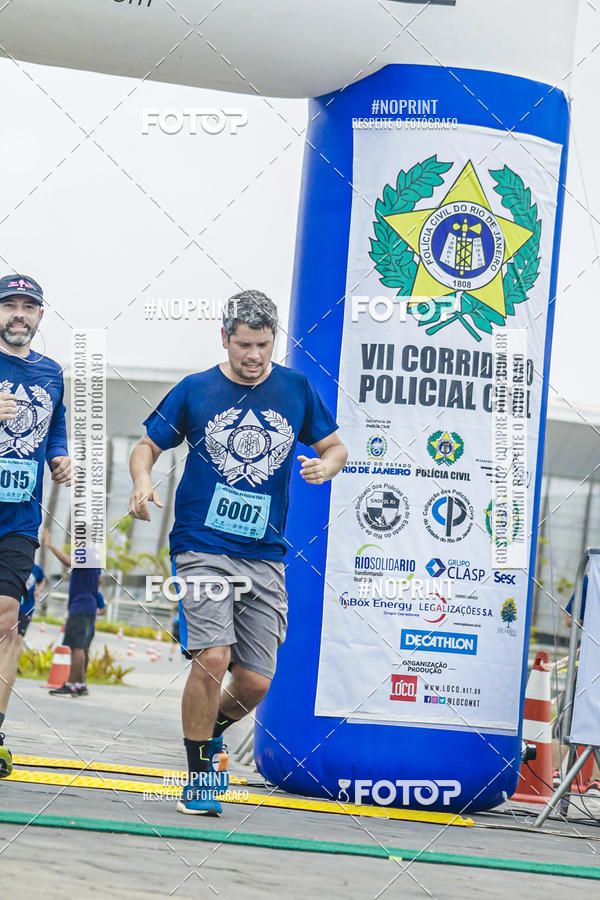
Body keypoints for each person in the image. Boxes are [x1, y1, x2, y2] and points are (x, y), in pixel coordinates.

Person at [128, 290, 347, 816]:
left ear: (275, 341)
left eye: (264, 345)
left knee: (253, 680)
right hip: (202, 544)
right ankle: (200, 773)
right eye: (244, 344)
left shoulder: (295, 389)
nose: (254, 355)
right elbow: (146, 446)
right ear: (224, 338)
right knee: (212, 656)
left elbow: (335, 445)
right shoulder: (196, 389)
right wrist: (141, 481)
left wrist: (328, 466)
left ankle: (211, 730)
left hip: (264, 553)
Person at [0, 274, 70, 777]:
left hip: (20, 519)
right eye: (10, 305)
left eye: (28, 306)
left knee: (6, 622)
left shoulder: (51, 372)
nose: (19, 314)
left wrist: (60, 456)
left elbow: (56, 424)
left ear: (41, 316)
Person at [42, 529, 101, 697]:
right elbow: (99, 581)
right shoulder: (95, 555)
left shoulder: (85, 552)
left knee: (77, 647)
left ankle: (71, 684)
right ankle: (81, 684)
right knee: (83, 647)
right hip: (89, 605)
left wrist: (50, 546)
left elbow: (69, 562)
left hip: (80, 606)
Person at [16, 561, 45, 659]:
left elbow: (42, 580)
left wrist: (38, 589)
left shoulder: (37, 569)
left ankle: (13, 666)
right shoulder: (15, 563)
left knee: (18, 638)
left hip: (26, 609)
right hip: (11, 606)